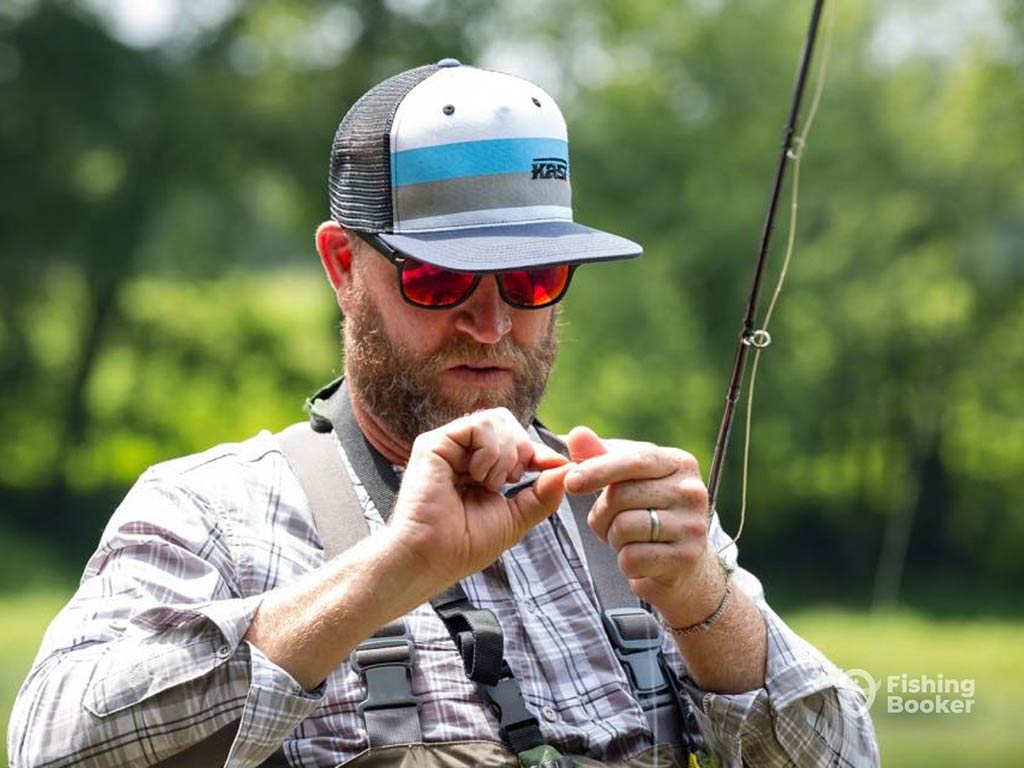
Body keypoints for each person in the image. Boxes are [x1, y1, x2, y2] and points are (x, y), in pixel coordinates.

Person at [8, 59, 879, 768]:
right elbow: (49, 744)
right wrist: (388, 571)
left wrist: (704, 603)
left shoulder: (635, 526)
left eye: (532, 282)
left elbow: (847, 757)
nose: (492, 323)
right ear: (343, 265)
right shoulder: (210, 514)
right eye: (440, 279)